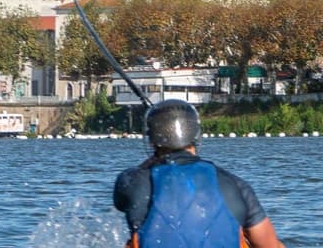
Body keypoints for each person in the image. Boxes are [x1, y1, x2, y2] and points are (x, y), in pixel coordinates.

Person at [114, 100, 286, 248]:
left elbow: (122, 200)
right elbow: (269, 245)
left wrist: (151, 163)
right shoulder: (235, 184)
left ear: (152, 141)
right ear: (196, 136)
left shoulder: (132, 181)